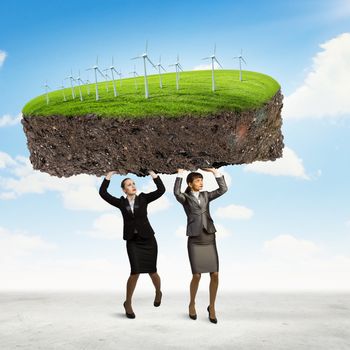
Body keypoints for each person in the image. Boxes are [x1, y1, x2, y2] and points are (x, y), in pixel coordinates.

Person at [99, 170, 165, 319]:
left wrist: (152, 174)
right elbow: (103, 193)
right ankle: (127, 303)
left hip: (148, 240)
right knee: (134, 272)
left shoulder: (144, 199)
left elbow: (161, 190)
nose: (133, 186)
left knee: (152, 271)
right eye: (129, 184)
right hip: (132, 241)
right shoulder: (120, 203)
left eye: (133, 183)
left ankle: (158, 292)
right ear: (124, 189)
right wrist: (109, 175)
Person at [173, 167, 228, 324]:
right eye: (198, 180)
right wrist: (180, 174)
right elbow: (176, 193)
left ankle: (212, 307)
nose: (201, 183)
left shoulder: (206, 195)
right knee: (196, 275)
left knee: (215, 274)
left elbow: (223, 189)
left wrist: (215, 172)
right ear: (190, 184)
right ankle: (192, 303)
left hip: (209, 236)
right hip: (195, 239)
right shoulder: (185, 198)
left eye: (201, 180)